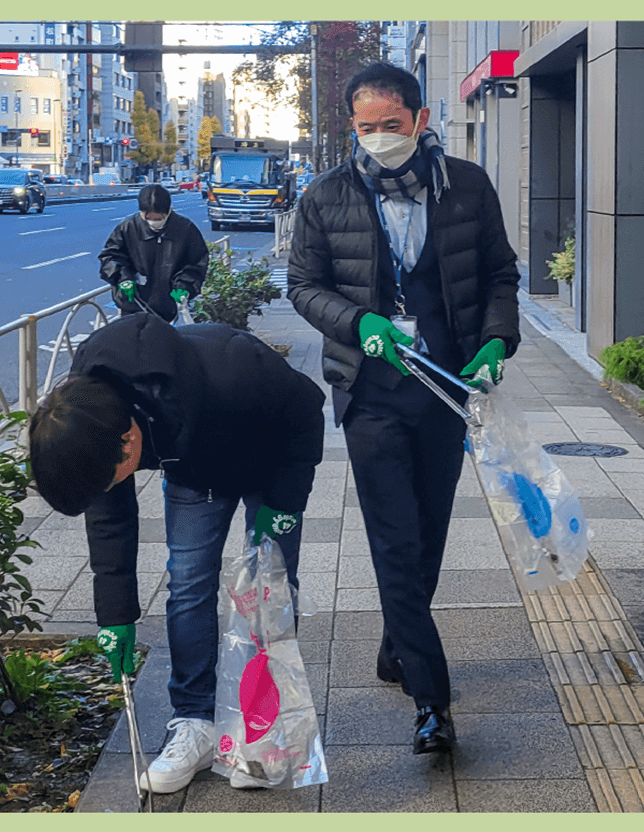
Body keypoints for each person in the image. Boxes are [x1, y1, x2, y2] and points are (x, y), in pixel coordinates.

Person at [287, 61, 520, 754]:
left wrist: (496, 341)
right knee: (394, 537)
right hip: (372, 392)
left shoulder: (467, 188)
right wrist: (356, 323)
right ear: (350, 128)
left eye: (393, 125)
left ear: (421, 121)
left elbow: (501, 272)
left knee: (430, 531)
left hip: (447, 388)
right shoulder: (325, 196)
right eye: (367, 128)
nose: (381, 138)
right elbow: (303, 285)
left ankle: (397, 646)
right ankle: (432, 702)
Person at [28, 312, 325, 792]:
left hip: (268, 453)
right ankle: (196, 721)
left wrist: (286, 505)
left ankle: (261, 730)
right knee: (188, 581)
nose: (110, 488)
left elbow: (306, 409)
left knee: (268, 590)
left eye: (111, 477)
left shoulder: (231, 371)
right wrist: (115, 615)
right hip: (195, 470)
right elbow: (109, 517)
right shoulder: (88, 414)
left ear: (128, 444)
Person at [99, 184, 209, 322]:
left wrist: (184, 286)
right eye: (149, 216)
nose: (154, 221)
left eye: (158, 217)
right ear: (141, 212)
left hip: (169, 307)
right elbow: (110, 257)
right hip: (133, 306)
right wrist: (123, 278)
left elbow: (197, 262)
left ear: (168, 211)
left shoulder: (185, 229)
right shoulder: (128, 228)